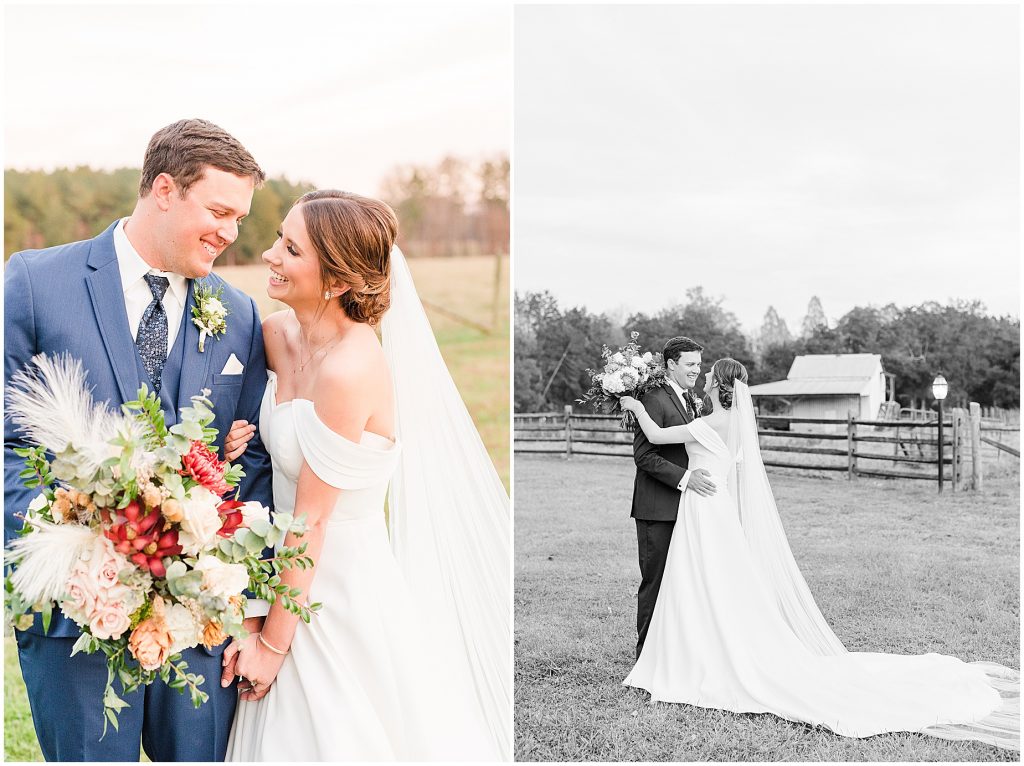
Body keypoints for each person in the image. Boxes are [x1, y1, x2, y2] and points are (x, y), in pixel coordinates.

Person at [3, 118, 274, 761]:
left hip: (201, 621)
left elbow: (252, 459)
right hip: (76, 615)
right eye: (217, 210)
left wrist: (247, 603)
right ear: (163, 189)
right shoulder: (37, 283)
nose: (231, 233)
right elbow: (7, 443)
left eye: (239, 218)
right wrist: (71, 557)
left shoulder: (237, 314)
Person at [220, 190, 511, 760]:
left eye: (290, 248)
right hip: (281, 558)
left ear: (336, 279)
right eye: (280, 238)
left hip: (337, 582)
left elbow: (312, 520)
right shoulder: (277, 336)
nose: (269, 254)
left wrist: (272, 645)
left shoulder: (351, 368)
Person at [618, 359, 1019, 751]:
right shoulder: (736, 424)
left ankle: (700, 653)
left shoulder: (711, 422)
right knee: (715, 582)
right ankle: (703, 646)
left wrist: (634, 405)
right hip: (716, 507)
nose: (702, 375)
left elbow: (655, 437)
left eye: (708, 373)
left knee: (702, 580)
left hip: (703, 510)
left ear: (718, 383)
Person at [630, 336, 716, 659]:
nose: (696, 370)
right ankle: (646, 659)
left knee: (681, 584)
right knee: (656, 583)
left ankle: (673, 654)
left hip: (687, 508)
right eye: (690, 364)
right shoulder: (654, 398)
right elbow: (644, 456)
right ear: (671, 365)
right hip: (658, 507)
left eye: (698, 364)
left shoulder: (690, 399)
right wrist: (685, 479)